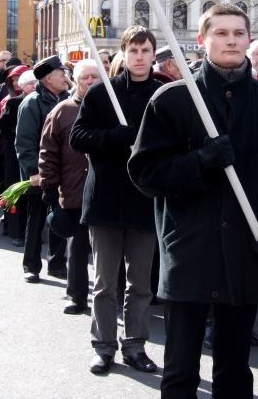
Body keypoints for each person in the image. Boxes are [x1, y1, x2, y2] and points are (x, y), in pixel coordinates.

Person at [128, 4, 258, 398]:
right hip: (190, 250)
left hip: (248, 250)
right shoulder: (171, 100)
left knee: (235, 372)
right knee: (179, 372)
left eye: (238, 33)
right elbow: (144, 174)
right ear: (203, 40)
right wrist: (198, 163)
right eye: (221, 33)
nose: (231, 40)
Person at [70, 25, 162, 375]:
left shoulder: (163, 94)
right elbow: (78, 137)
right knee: (106, 282)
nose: (139, 57)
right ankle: (104, 345)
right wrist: (112, 137)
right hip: (106, 199)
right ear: (124, 54)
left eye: (145, 51)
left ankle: (135, 345)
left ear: (154, 54)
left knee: (141, 284)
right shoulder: (101, 93)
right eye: (133, 51)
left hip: (144, 200)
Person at [39, 60, 101, 314]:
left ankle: (112, 297)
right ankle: (76, 295)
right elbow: (48, 153)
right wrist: (50, 186)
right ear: (74, 80)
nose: (90, 82)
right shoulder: (62, 111)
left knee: (108, 251)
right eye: (85, 77)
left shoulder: (111, 110)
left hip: (104, 192)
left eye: (96, 77)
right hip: (74, 192)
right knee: (76, 248)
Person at [15, 56, 69, 282]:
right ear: (49, 77)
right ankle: (31, 265)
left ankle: (56, 264)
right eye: (61, 73)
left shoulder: (67, 99)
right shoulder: (32, 103)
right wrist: (33, 171)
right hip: (39, 173)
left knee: (59, 218)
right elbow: (25, 142)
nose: (66, 78)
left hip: (63, 173)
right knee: (36, 220)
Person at [0, 69, 34, 246]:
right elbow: (2, 126)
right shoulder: (13, 103)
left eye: (36, 83)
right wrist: (18, 136)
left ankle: (31, 232)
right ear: (22, 86)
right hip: (14, 154)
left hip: (34, 155)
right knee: (16, 193)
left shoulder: (43, 102)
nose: (33, 87)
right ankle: (15, 231)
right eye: (30, 84)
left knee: (32, 194)